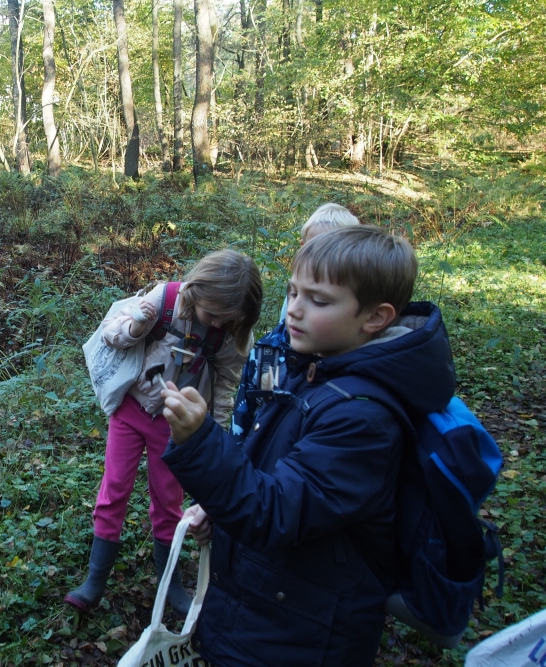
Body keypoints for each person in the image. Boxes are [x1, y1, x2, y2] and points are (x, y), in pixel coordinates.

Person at [160, 226, 456, 666]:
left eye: (318, 300)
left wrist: (200, 442)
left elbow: (275, 512)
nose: (294, 310)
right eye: (293, 292)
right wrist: (218, 511)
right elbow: (276, 475)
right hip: (269, 604)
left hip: (300, 632)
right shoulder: (315, 369)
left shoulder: (361, 417)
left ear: (375, 318)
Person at [64, 249, 262, 616]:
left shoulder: (230, 334)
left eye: (226, 318)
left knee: (168, 501)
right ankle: (95, 580)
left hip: (175, 426)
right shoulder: (166, 299)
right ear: (198, 289)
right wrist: (137, 326)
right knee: (115, 488)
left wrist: (211, 436)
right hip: (132, 409)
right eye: (212, 314)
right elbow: (112, 335)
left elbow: (224, 388)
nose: (216, 323)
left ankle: (170, 583)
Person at [277, 202, 359, 324]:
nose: (319, 257)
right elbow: (283, 328)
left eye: (329, 250)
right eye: (312, 248)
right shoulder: (297, 289)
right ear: (302, 248)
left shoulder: (352, 290)